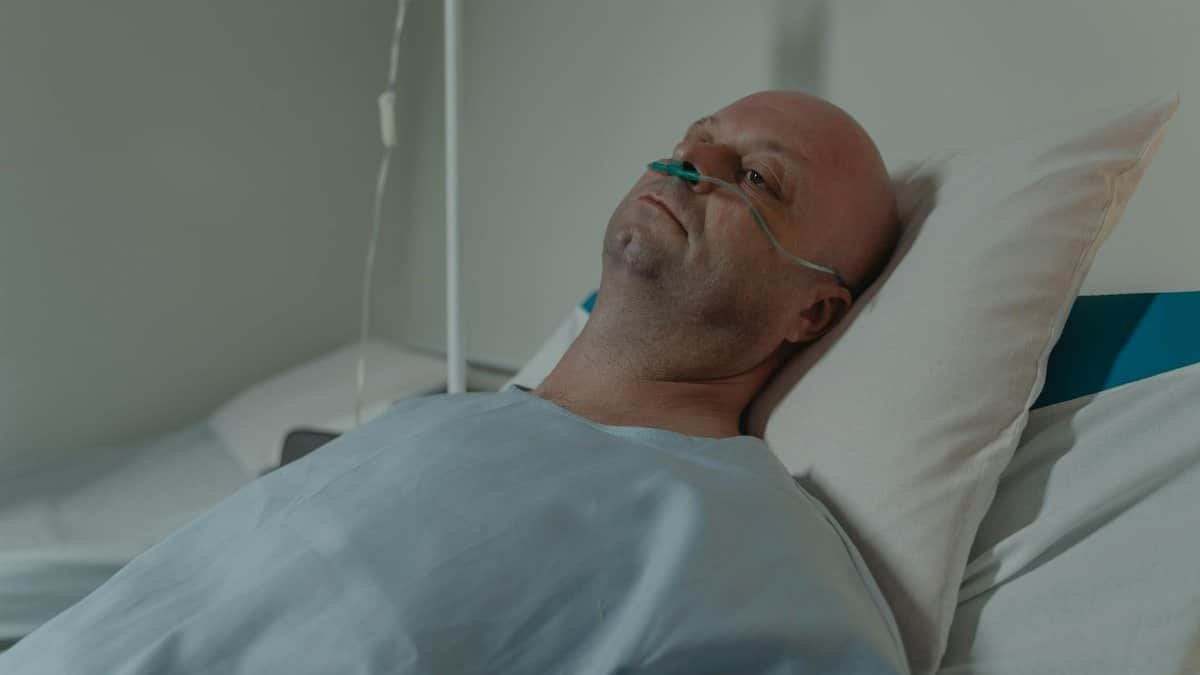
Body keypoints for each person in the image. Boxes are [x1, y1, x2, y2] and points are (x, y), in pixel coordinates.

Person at [0, 91, 907, 674]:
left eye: (752, 176)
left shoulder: (754, 554)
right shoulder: (432, 424)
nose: (688, 164)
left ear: (813, 315)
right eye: (691, 140)